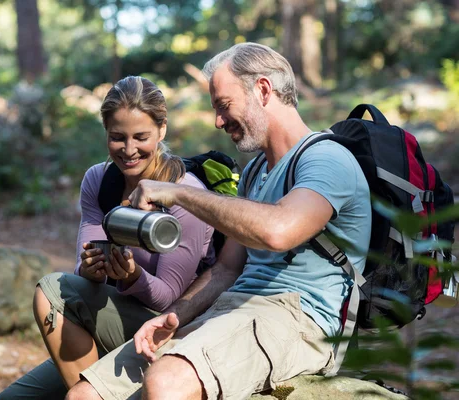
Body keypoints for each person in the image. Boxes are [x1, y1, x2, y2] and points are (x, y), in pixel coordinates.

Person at [64, 43, 372, 400]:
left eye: (223, 106)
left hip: (297, 317)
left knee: (166, 382)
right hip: (231, 307)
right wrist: (176, 315)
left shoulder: (326, 159)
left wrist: (178, 193)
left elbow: (277, 231)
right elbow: (227, 270)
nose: (218, 121)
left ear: (263, 90)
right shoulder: (257, 170)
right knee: (84, 396)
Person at [0, 76, 216, 399]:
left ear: (162, 130)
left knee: (51, 290)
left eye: (141, 137)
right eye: (117, 138)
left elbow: (170, 298)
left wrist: (133, 276)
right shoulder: (99, 181)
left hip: (168, 329)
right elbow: (82, 277)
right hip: (112, 320)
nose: (129, 150)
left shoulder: (185, 195)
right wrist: (90, 270)